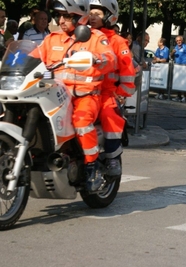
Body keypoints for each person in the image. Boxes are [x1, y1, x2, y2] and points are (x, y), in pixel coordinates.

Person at [37, 0, 116, 191]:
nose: (61, 20)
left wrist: (96, 58)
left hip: (85, 96)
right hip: (55, 95)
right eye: (59, 16)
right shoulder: (51, 39)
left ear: (80, 17)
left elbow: (110, 59)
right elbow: (35, 59)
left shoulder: (95, 37)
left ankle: (92, 166)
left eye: (66, 16)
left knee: (81, 122)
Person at [88, 0, 136, 176]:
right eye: (90, 13)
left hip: (107, 93)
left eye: (98, 14)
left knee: (110, 116)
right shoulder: (82, 36)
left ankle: (112, 157)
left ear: (110, 16)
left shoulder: (117, 42)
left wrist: (121, 94)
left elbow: (128, 72)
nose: (93, 17)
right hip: (82, 90)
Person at [171, 35, 186, 102]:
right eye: (177, 41)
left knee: (184, 82)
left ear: (182, 40)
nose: (178, 42)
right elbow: (171, 56)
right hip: (177, 67)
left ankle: (185, 97)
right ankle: (178, 96)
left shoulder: (185, 47)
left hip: (184, 67)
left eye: (179, 40)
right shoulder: (176, 47)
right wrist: (172, 52)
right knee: (178, 81)